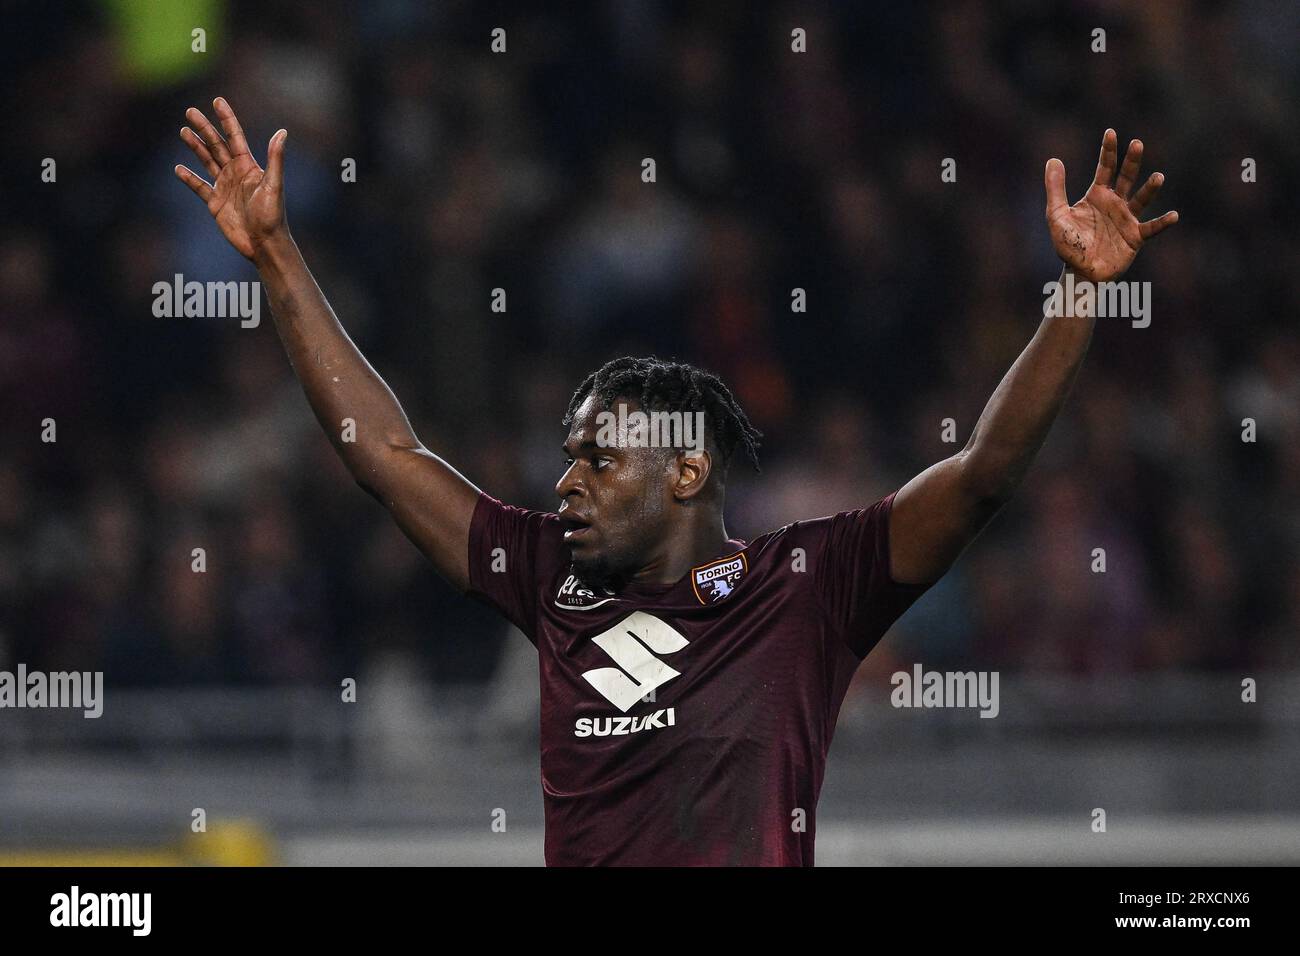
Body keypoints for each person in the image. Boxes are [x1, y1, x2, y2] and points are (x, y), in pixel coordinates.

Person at [175, 98, 1177, 865]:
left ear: (687, 468)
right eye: (569, 456)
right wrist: (276, 256)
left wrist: (1078, 296)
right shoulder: (546, 576)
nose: (566, 483)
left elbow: (981, 473)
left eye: (599, 458)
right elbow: (385, 455)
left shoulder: (808, 586)